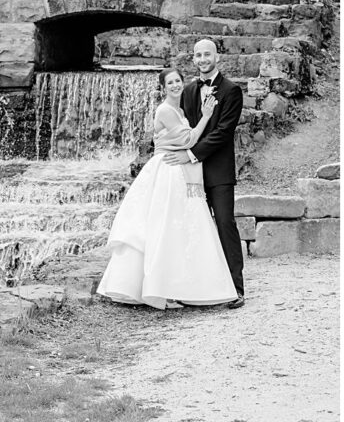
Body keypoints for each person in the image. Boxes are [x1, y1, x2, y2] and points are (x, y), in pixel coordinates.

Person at [95, 67, 238, 309]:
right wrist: (205, 116)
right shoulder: (165, 110)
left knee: (176, 227)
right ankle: (159, 287)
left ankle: (177, 285)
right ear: (163, 87)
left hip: (178, 170)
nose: (174, 85)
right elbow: (189, 140)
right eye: (170, 82)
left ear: (183, 83)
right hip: (167, 171)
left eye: (178, 81)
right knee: (164, 226)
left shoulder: (180, 109)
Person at [161, 39, 246, 308]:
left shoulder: (231, 91)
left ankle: (236, 289)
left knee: (224, 223)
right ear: (193, 59)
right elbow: (184, 129)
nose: (202, 59)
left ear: (216, 57)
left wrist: (191, 153)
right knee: (192, 226)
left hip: (218, 171)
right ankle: (193, 288)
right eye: (197, 55)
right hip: (190, 173)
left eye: (207, 54)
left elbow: (223, 132)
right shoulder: (187, 91)